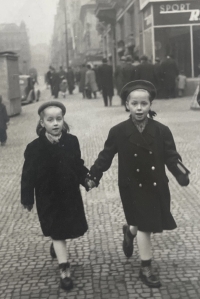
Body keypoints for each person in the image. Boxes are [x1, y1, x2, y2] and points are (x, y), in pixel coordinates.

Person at [85, 80, 190, 288]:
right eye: (134, 103)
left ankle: (129, 232)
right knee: (145, 226)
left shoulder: (161, 130)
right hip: (131, 185)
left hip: (156, 184)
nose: (139, 108)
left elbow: (171, 155)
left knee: (142, 223)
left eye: (144, 103)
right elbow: (105, 156)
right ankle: (146, 266)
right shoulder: (118, 131)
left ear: (150, 105)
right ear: (127, 105)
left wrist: (180, 173)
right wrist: (93, 176)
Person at [21, 101, 89, 291]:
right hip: (47, 198)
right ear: (42, 122)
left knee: (63, 229)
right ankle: (64, 270)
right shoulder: (34, 148)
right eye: (50, 120)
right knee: (57, 231)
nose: (55, 123)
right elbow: (28, 175)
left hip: (69, 195)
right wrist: (27, 198)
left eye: (59, 118)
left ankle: (56, 245)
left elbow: (78, 165)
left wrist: (87, 179)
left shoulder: (72, 141)